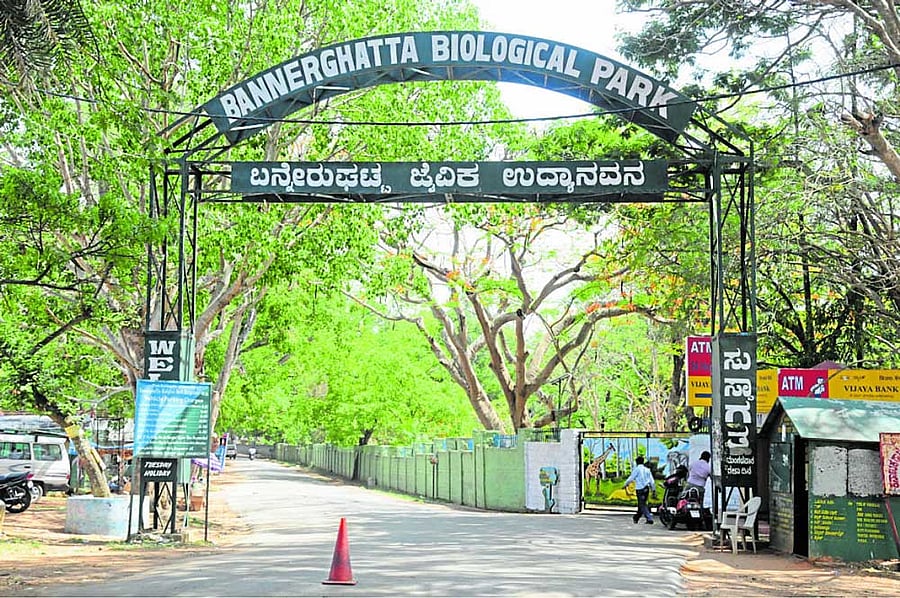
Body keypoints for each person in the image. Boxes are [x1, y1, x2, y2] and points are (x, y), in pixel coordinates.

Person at [623, 456, 656, 524]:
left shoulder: (637, 469)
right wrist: (653, 489)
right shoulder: (647, 470)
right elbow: (651, 480)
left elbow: (631, 478)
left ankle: (649, 518)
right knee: (641, 504)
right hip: (646, 488)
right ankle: (636, 517)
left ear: (636, 462)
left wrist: (625, 484)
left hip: (640, 489)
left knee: (642, 504)